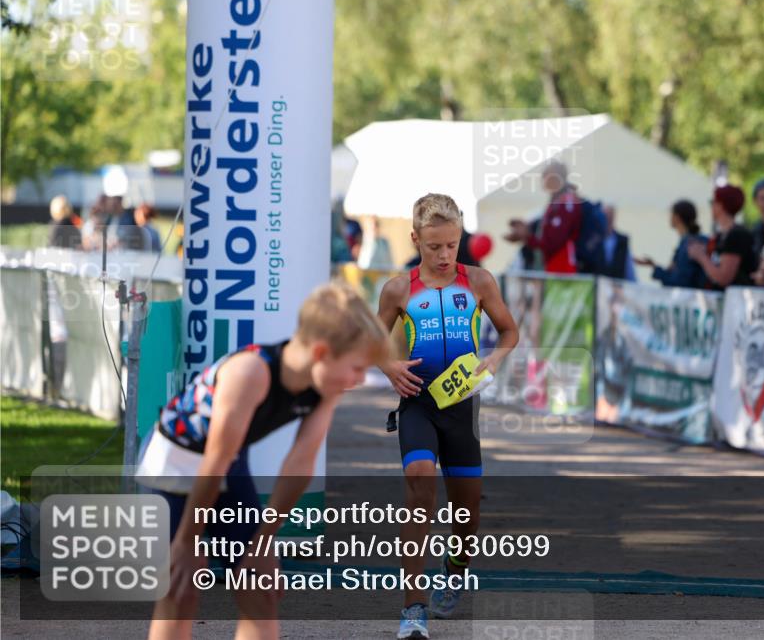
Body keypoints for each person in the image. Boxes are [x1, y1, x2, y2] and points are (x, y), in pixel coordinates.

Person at [139, 281, 390, 640]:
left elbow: (299, 465)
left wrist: (262, 543)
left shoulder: (325, 388)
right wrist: (184, 543)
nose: (360, 379)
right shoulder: (250, 373)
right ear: (321, 353)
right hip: (174, 460)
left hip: (225, 462)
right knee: (181, 589)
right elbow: (215, 460)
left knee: (261, 587)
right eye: (356, 368)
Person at [377, 194, 519, 639]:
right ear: (416, 239)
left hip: (461, 412)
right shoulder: (399, 289)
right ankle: (412, 608)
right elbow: (370, 341)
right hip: (418, 404)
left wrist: (492, 362)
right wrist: (389, 366)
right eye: (434, 246)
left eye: (452, 246)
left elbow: (510, 331)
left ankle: (455, 570)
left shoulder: (478, 282)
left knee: (466, 512)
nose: (443, 256)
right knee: (419, 481)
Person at [504, 160, 582, 274]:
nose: (543, 180)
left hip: (562, 272)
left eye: (547, 176)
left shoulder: (566, 202)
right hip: (554, 270)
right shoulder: (557, 201)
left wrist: (527, 236)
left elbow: (553, 242)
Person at [688, 185, 757, 290]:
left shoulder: (736, 234)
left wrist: (701, 257)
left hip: (736, 302)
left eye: (713, 202)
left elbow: (724, 278)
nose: (711, 206)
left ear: (721, 205)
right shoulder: (722, 235)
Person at [635, 200, 707, 288]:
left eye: (671, 214)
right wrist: (653, 266)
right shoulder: (691, 241)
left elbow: (679, 281)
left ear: (677, 217)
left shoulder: (688, 244)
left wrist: (658, 271)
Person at [597, 204, 636, 280]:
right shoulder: (594, 241)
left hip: (616, 289)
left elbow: (629, 272)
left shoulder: (622, 241)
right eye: (605, 216)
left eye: (610, 216)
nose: (607, 220)